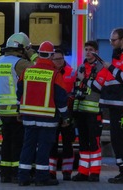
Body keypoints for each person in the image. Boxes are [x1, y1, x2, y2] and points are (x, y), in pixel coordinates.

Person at [17, 41, 69, 186]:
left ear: (39, 54)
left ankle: (23, 177)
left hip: (28, 117)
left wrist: (19, 111)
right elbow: (61, 99)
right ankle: (41, 178)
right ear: (51, 55)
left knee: (28, 146)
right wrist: (66, 117)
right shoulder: (55, 74)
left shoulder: (27, 72)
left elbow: (19, 93)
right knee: (44, 149)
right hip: (47, 118)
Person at [0, 32, 38, 183]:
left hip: (3, 111)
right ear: (22, 49)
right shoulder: (20, 63)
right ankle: (16, 173)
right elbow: (41, 70)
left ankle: (5, 174)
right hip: (17, 111)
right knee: (18, 143)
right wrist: (33, 54)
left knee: (6, 143)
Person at [99, 27, 123, 184]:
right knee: (116, 139)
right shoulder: (118, 57)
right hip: (116, 105)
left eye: (114, 40)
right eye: (110, 40)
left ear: (122, 40)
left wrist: (110, 67)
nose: (112, 43)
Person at [71, 41, 107, 182]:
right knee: (83, 143)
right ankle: (83, 172)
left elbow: (98, 87)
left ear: (96, 51)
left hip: (94, 112)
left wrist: (83, 79)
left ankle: (95, 173)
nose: (87, 52)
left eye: (90, 49)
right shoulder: (81, 67)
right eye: (86, 49)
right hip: (80, 112)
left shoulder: (101, 68)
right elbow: (76, 88)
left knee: (94, 143)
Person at [49, 48, 76, 181]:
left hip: (67, 113)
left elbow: (76, 89)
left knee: (67, 143)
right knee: (52, 143)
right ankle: (51, 172)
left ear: (64, 58)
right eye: (55, 59)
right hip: (52, 113)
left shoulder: (72, 72)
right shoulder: (49, 72)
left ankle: (67, 172)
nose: (58, 61)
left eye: (60, 58)